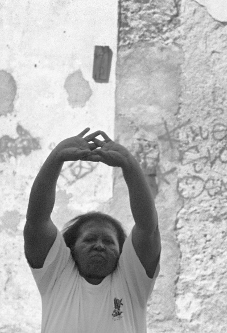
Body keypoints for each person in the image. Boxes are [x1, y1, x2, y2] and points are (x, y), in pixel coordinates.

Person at [24, 128, 161, 332]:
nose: (99, 245)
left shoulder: (132, 282)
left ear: (122, 252)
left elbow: (148, 228)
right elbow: (36, 221)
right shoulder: (56, 275)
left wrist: (129, 164)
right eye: (89, 240)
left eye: (108, 241)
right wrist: (56, 158)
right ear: (71, 248)